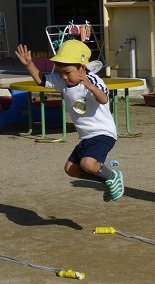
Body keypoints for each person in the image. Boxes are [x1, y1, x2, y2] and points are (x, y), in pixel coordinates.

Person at [15, 40, 124, 202]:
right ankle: (107, 180)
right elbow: (42, 81)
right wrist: (29, 64)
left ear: (82, 67)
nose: (64, 77)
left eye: (67, 72)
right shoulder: (64, 82)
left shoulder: (93, 81)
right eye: (60, 73)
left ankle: (113, 176)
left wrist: (90, 86)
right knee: (71, 170)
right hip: (86, 137)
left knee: (87, 164)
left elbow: (103, 99)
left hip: (103, 133)